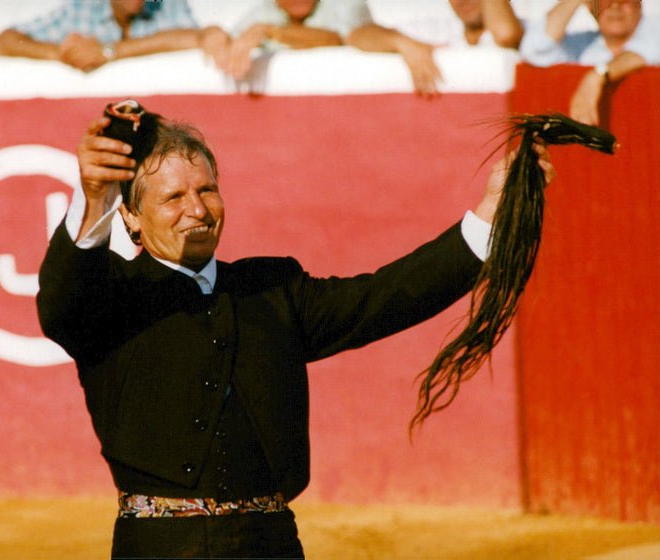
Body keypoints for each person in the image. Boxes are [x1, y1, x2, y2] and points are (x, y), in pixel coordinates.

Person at [36, 109, 555, 558]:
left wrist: (492, 212)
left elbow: (386, 297)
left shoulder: (274, 288)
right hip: (158, 548)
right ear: (131, 217)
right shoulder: (108, 300)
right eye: (173, 197)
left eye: (207, 190)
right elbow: (61, 302)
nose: (197, 209)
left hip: (271, 543)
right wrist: (94, 200)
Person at [519, 0, 660, 126]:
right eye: (606, 2)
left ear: (640, 4)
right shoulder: (582, 45)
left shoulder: (655, 27)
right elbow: (534, 49)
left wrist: (596, 76)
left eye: (624, 1)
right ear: (590, 7)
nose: (616, 6)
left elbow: (645, 51)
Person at [347, 0, 524, 96]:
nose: (463, 2)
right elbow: (357, 35)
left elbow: (506, 35)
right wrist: (403, 44)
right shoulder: (440, 29)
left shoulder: (528, 30)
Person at [0, 0, 225, 72]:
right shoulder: (84, 8)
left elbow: (196, 37)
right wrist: (63, 54)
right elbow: (3, 42)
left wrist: (108, 52)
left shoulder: (164, 4)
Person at [212, 0, 373, 80]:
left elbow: (335, 38)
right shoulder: (266, 10)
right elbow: (232, 42)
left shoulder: (345, 4)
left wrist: (272, 31)